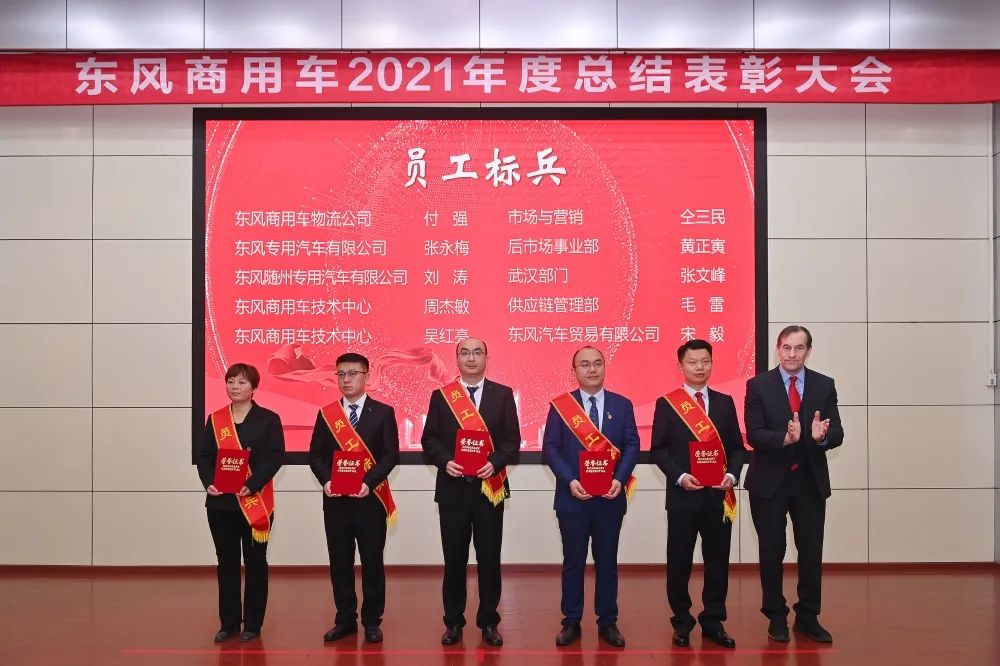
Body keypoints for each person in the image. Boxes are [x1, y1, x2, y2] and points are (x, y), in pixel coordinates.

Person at [744, 325, 844, 643]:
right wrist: (785, 439)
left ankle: (808, 617)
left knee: (811, 551)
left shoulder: (824, 385)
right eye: (787, 347)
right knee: (772, 550)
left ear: (808, 351)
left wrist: (821, 437)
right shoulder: (758, 385)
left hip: (809, 482)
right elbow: (754, 433)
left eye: (799, 348)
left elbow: (837, 432)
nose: (792, 354)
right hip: (769, 483)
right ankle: (776, 616)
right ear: (778, 348)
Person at [421, 337, 520, 647]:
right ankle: (453, 622)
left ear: (487, 358)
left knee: (489, 559)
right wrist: (444, 461)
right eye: (465, 353)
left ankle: (489, 622)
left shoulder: (503, 394)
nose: (471, 358)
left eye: (477, 352)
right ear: (457, 359)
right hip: (453, 490)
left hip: (489, 489)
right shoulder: (441, 396)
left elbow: (512, 440)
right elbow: (430, 439)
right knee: (454, 560)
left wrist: (495, 463)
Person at [541, 346, 639, 648]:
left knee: (607, 561)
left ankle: (608, 621)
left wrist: (619, 480)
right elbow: (551, 448)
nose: (592, 369)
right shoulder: (561, 407)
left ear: (605, 367)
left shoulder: (622, 405)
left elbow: (632, 445)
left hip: (610, 497)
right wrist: (570, 480)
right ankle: (571, 620)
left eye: (597, 363)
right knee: (573, 562)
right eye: (584, 364)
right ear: (574, 371)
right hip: (573, 498)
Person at [650, 339, 745, 649]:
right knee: (679, 562)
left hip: (718, 496)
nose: (699, 367)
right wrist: (680, 476)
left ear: (712, 363)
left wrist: (732, 475)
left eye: (705, 361)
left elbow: (737, 448)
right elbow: (659, 450)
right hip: (683, 497)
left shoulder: (725, 402)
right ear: (681, 366)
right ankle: (681, 622)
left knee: (717, 561)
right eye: (692, 362)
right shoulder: (667, 403)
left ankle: (713, 620)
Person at [308, 353, 399, 644]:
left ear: (366, 376)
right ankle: (345, 619)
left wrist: (368, 483)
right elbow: (316, 455)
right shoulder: (326, 415)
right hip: (336, 501)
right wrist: (326, 481)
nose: (346, 380)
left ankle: (372, 621)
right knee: (340, 562)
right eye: (341, 374)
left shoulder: (383, 413)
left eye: (353, 374)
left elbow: (390, 456)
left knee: (372, 563)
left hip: (370, 501)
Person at [196, 363, 284, 643]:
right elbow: (204, 456)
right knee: (227, 563)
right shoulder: (215, 419)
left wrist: (252, 483)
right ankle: (229, 623)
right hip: (221, 504)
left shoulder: (268, 419)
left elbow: (275, 457)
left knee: (256, 563)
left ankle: (253, 624)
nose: (235, 386)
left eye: (242, 382)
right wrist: (208, 481)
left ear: (254, 387)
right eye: (231, 381)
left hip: (254, 501)